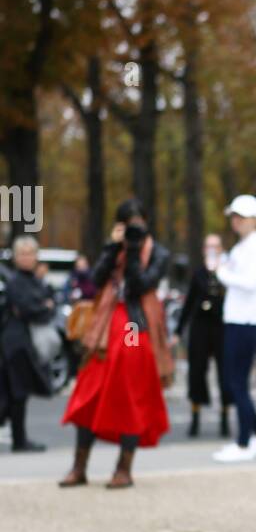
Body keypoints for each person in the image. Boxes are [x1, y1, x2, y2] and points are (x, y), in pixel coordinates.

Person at [59, 198, 173, 488]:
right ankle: (79, 465)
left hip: (136, 322)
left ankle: (124, 467)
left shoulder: (158, 253)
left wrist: (133, 254)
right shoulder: (115, 249)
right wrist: (113, 248)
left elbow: (139, 285)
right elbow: (95, 280)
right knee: (90, 388)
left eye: (138, 223)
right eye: (127, 224)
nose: (134, 230)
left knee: (130, 386)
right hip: (106, 323)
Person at [212, 194, 256, 463]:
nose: (235, 221)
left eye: (240, 216)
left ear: (253, 219)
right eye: (233, 216)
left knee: (237, 382)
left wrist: (221, 273)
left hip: (247, 321)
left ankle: (245, 441)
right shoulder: (244, 246)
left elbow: (249, 282)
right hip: (238, 319)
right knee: (234, 381)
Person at [0, 235, 55, 452]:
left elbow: (43, 303)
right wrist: (44, 307)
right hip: (14, 343)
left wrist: (43, 306)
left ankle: (19, 439)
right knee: (16, 392)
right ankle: (19, 440)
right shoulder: (15, 282)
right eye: (22, 254)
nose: (26, 258)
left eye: (30, 253)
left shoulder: (35, 281)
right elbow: (27, 308)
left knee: (17, 393)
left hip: (24, 341)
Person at [176, 233, 230, 438]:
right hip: (200, 327)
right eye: (209, 246)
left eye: (216, 246)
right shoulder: (198, 274)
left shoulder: (227, 272)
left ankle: (225, 417)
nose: (212, 250)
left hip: (221, 327)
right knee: (196, 371)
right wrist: (178, 330)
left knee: (225, 373)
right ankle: (195, 416)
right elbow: (189, 302)